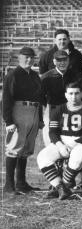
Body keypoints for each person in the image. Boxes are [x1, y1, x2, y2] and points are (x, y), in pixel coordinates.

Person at [37, 82, 82, 200]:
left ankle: (60, 187)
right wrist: (60, 146)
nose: (73, 97)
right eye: (70, 93)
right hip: (63, 140)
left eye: (76, 93)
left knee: (76, 160)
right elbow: (53, 132)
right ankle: (61, 188)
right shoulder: (59, 109)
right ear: (66, 95)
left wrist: (76, 143)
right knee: (42, 157)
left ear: (81, 94)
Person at [2, 47, 43, 194]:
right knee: (14, 148)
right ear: (19, 58)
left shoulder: (34, 75)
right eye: (26, 57)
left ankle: (21, 182)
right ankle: (9, 185)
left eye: (31, 57)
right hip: (19, 110)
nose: (29, 60)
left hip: (33, 111)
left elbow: (39, 98)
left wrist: (40, 118)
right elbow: (6, 99)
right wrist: (9, 121)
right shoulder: (13, 74)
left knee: (26, 149)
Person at [41, 50, 78, 146]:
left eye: (64, 60)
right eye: (59, 60)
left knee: (69, 137)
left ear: (68, 60)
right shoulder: (46, 77)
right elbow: (40, 97)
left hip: (70, 109)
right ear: (54, 61)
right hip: (52, 108)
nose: (62, 63)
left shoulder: (74, 75)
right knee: (51, 138)